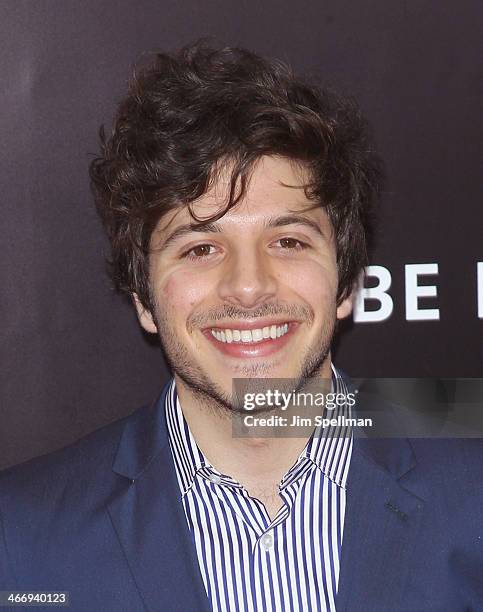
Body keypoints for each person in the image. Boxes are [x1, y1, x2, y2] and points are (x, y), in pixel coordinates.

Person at [1, 40, 482, 612]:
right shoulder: (20, 535)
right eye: (202, 247)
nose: (249, 286)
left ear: (348, 283)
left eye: (288, 241)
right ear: (145, 299)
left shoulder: (471, 478)